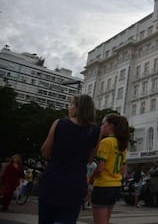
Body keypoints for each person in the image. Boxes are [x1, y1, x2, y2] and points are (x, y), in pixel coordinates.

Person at [38, 94, 100, 223]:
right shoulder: (95, 131)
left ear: (78, 108)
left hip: (52, 179)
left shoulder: (59, 123)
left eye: (71, 104)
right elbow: (90, 159)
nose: (69, 107)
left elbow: (45, 152)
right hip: (75, 184)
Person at [90, 113, 130, 224]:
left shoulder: (106, 142)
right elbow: (123, 169)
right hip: (115, 186)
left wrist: (90, 178)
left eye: (103, 124)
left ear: (111, 126)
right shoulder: (122, 145)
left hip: (103, 185)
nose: (101, 126)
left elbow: (100, 168)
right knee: (105, 220)